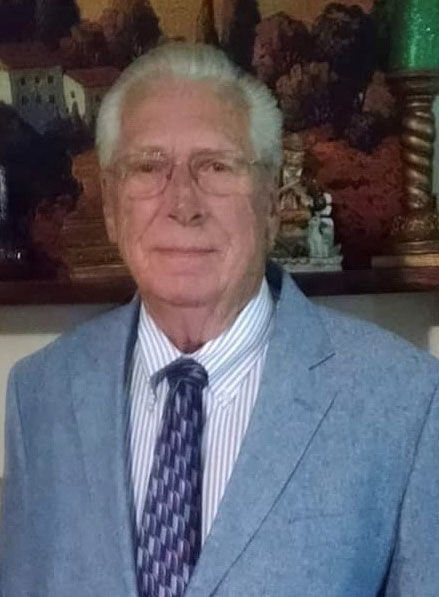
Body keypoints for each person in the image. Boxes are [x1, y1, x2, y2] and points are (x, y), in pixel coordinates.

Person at [1, 42, 439, 597]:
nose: (183, 204)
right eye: (148, 166)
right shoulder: (40, 394)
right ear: (111, 206)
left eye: (216, 165)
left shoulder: (406, 401)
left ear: (272, 200)